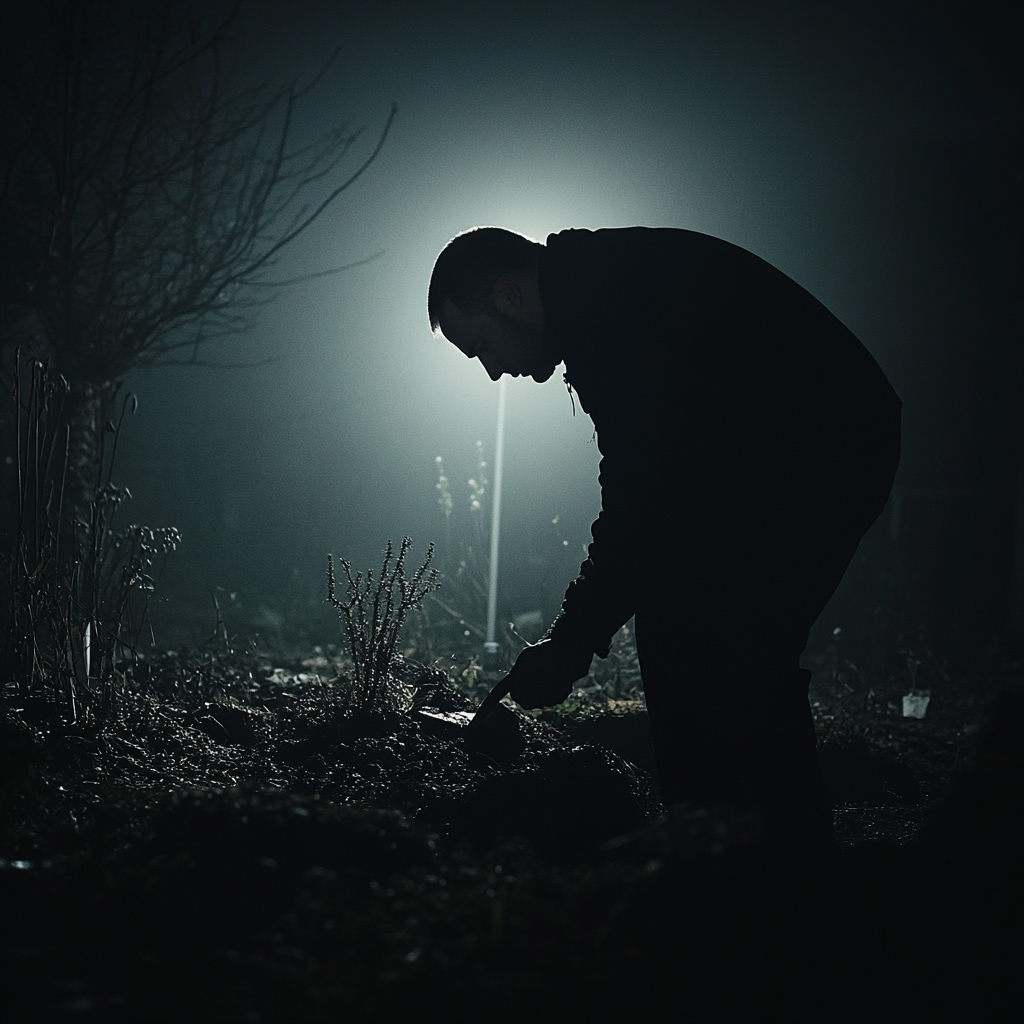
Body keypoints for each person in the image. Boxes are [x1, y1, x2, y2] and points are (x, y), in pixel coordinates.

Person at [428, 226, 901, 851]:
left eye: (481, 345)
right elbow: (656, 492)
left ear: (509, 295)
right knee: (702, 634)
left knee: (731, 646)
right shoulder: (598, 291)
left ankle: (761, 866)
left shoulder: (607, 311)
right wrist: (578, 636)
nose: (491, 372)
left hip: (820, 452)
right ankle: (733, 849)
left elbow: (645, 496)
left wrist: (572, 641)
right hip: (795, 450)